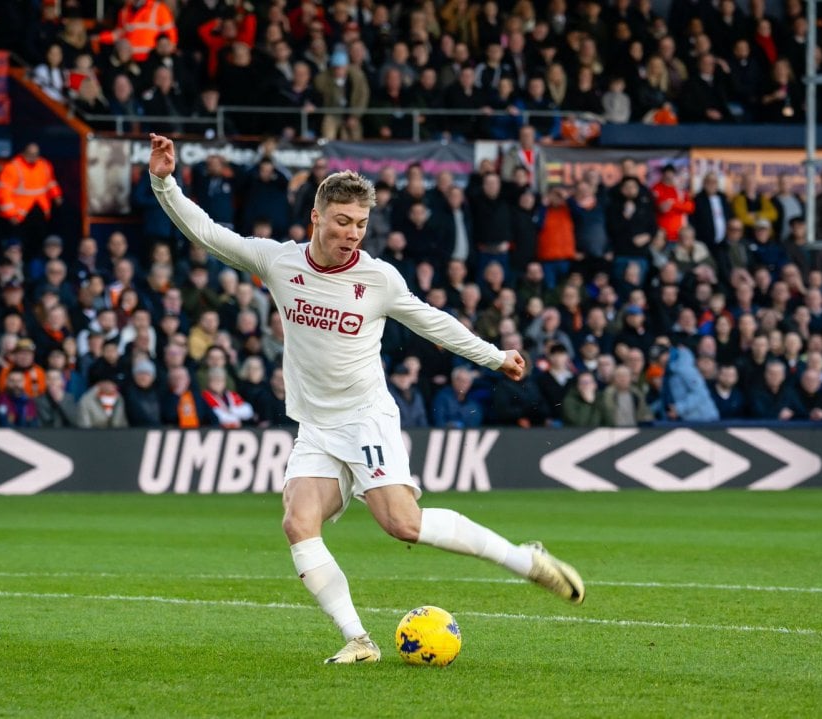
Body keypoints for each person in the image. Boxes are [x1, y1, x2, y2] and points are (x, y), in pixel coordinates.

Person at [148, 133, 584, 665]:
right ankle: (359, 639)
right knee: (296, 522)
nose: (352, 234)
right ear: (316, 217)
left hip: (365, 417)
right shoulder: (278, 264)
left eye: (360, 224)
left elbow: (433, 322)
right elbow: (206, 231)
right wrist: (164, 181)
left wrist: (495, 356)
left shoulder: (377, 278)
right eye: (342, 222)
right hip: (315, 424)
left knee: (402, 524)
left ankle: (524, 559)